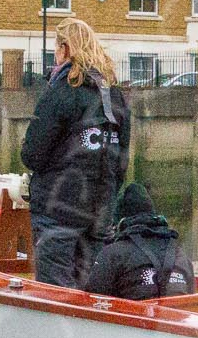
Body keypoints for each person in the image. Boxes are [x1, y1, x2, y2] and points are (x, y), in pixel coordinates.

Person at [20, 17, 132, 287]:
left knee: (56, 290)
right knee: (90, 289)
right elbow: (121, 160)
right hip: (99, 211)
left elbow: (33, 154)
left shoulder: (60, 92)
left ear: (65, 49)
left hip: (58, 209)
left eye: (57, 49)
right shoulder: (114, 97)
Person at [82, 183, 196, 301]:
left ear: (121, 222)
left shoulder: (112, 254)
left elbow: (92, 301)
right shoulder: (181, 255)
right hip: (176, 317)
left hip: (135, 318)